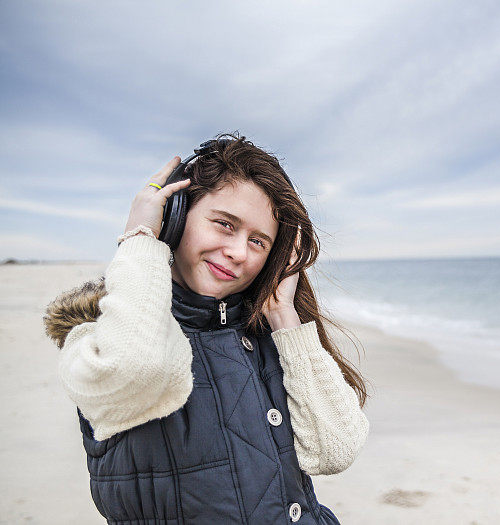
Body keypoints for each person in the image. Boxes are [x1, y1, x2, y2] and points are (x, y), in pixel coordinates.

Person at [43, 134, 369, 524]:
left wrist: (285, 318)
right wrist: (140, 238)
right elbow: (138, 369)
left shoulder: (270, 336)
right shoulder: (95, 337)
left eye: (259, 241)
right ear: (176, 217)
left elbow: (336, 449)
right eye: (224, 224)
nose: (239, 252)